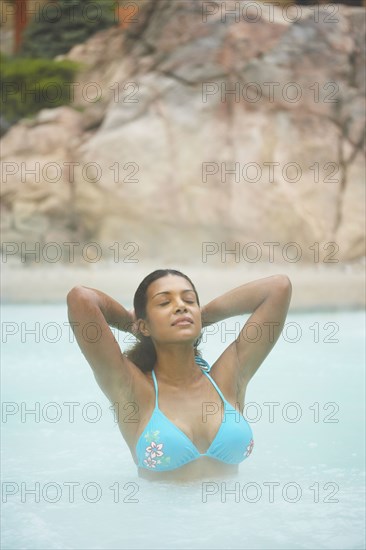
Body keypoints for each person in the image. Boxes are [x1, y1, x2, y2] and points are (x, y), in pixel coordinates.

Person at [67, 269, 292, 482]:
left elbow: (277, 288)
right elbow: (81, 299)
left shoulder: (226, 381)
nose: (180, 306)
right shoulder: (133, 390)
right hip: (162, 523)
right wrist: (132, 324)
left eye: (189, 300)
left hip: (233, 521)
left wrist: (200, 317)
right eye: (165, 302)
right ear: (144, 326)